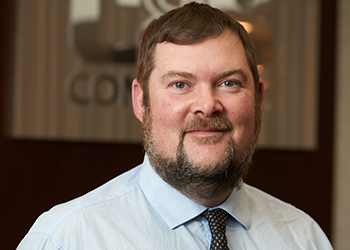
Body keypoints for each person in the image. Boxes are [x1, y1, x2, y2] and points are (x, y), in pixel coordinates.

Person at [18, 2, 333, 249]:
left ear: (258, 98)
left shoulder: (303, 238)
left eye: (228, 82)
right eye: (181, 84)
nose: (207, 104)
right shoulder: (67, 238)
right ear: (141, 102)